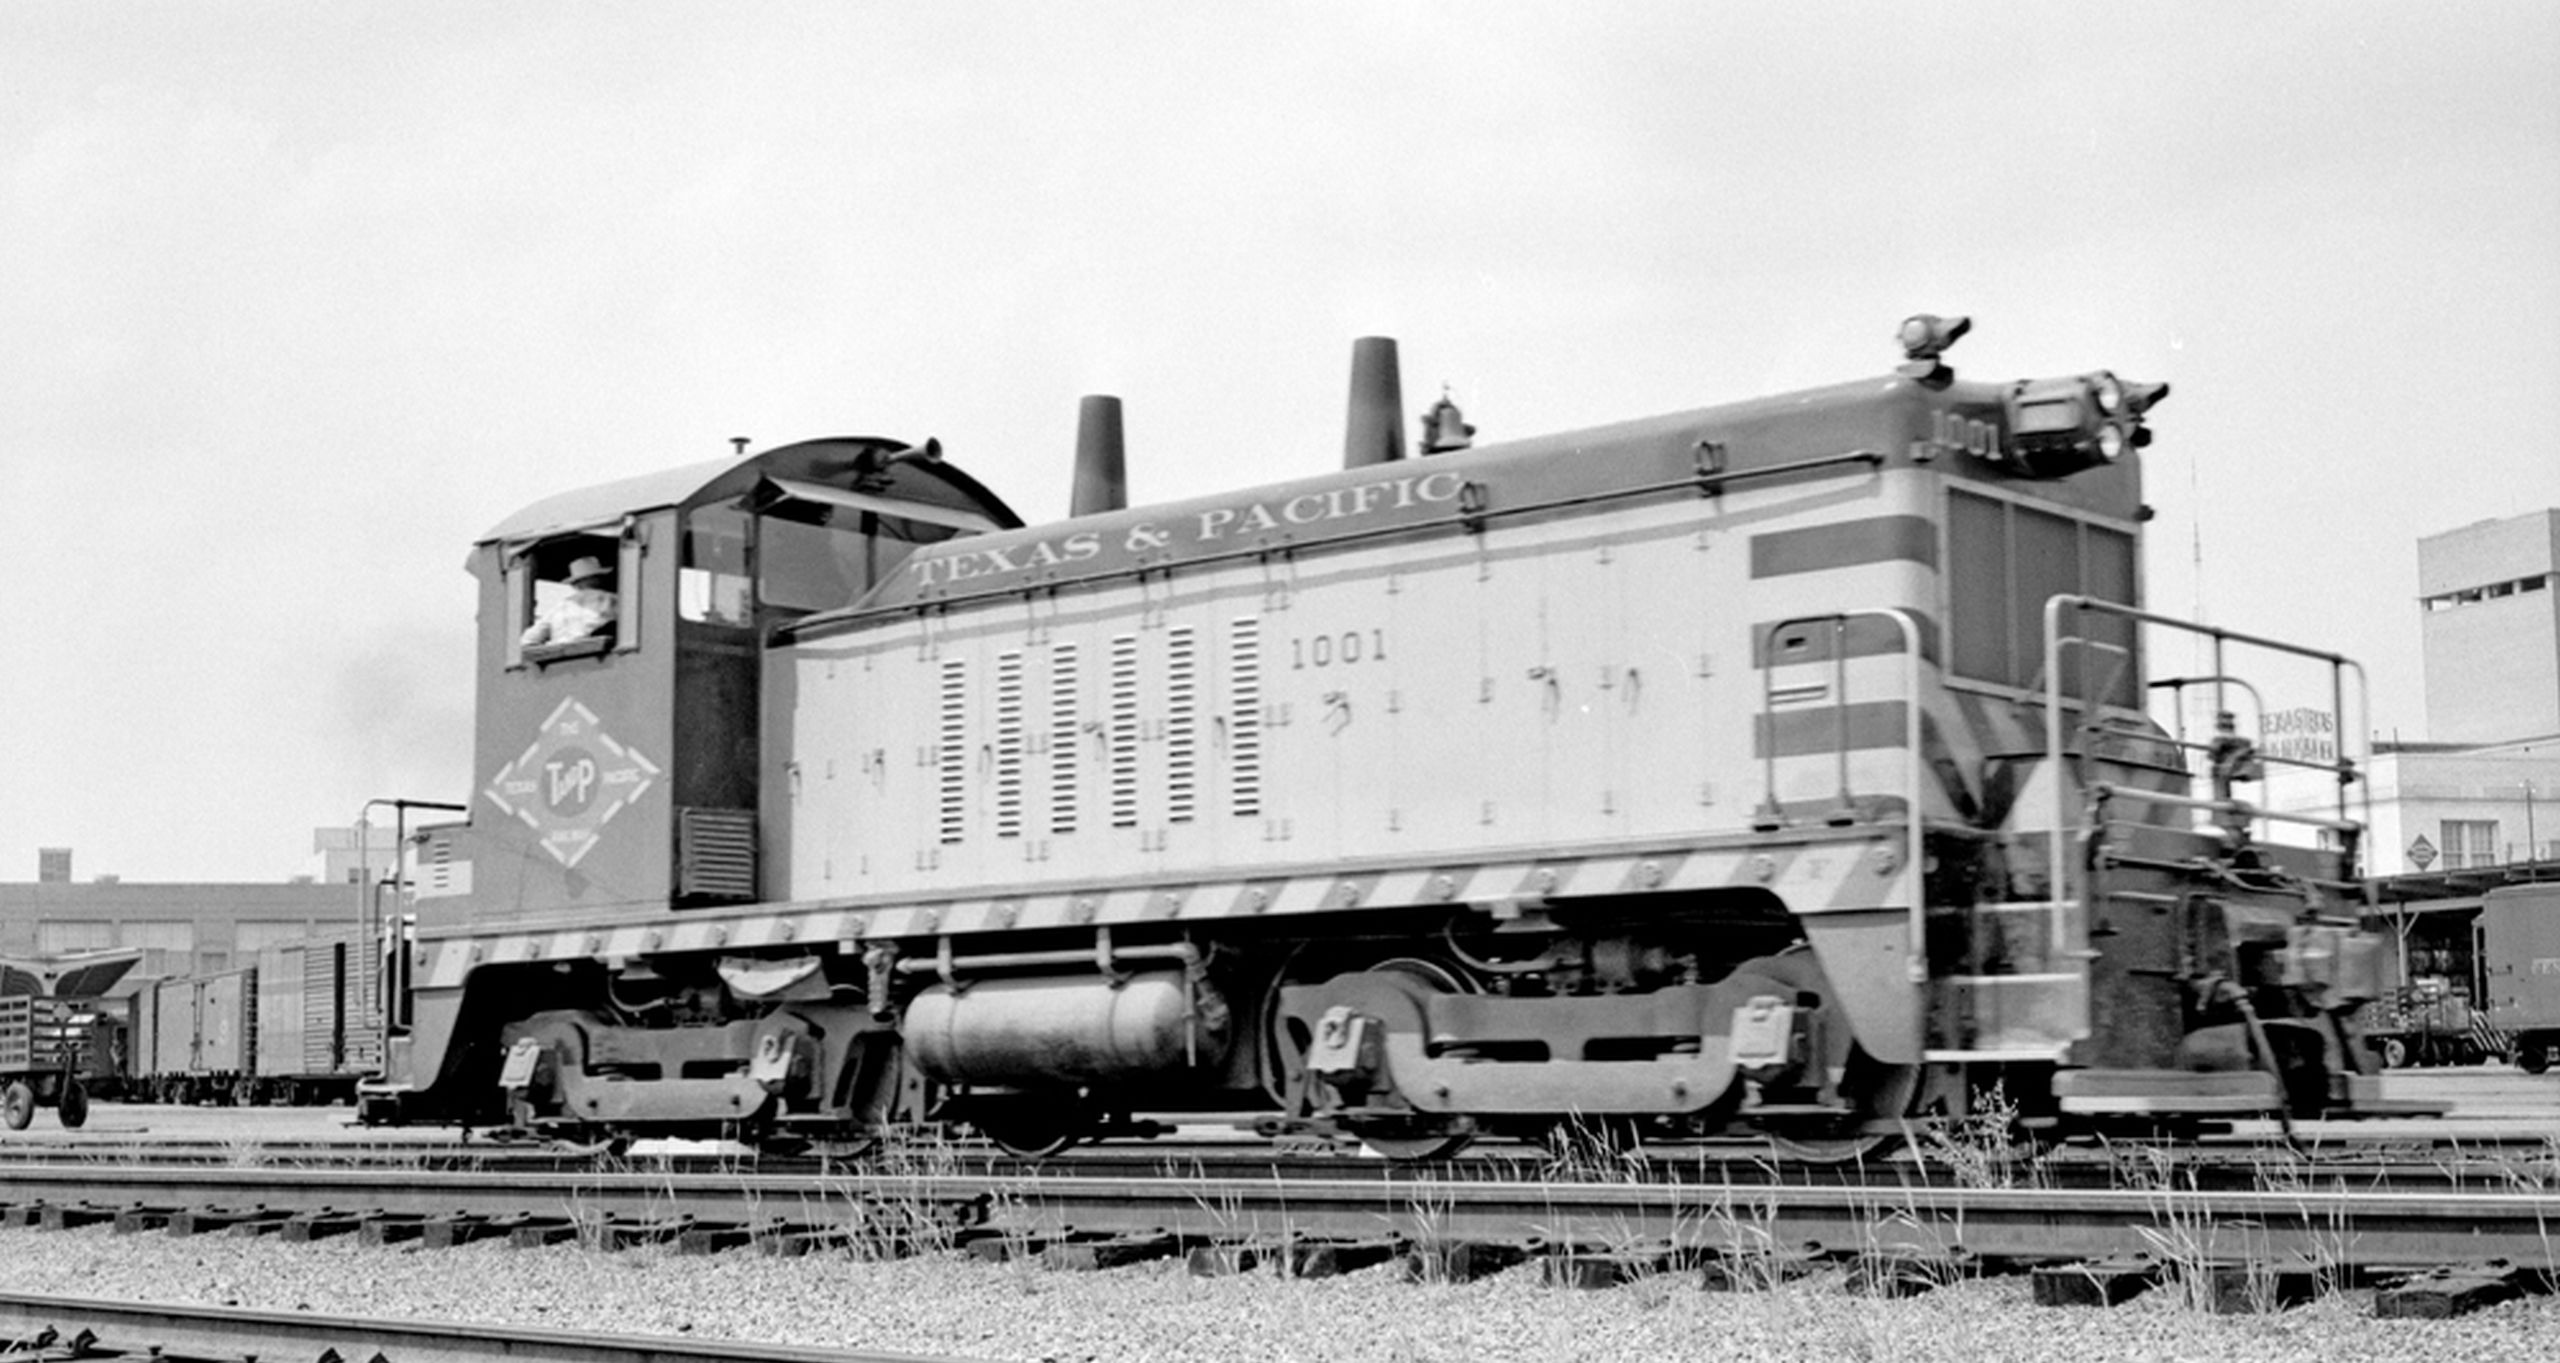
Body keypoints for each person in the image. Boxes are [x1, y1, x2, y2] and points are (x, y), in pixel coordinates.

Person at [521, 555, 618, 646]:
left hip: (560, 659)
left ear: (575, 584)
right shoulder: (611, 599)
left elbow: (528, 639)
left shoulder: (559, 607)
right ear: (598, 579)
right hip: (598, 657)